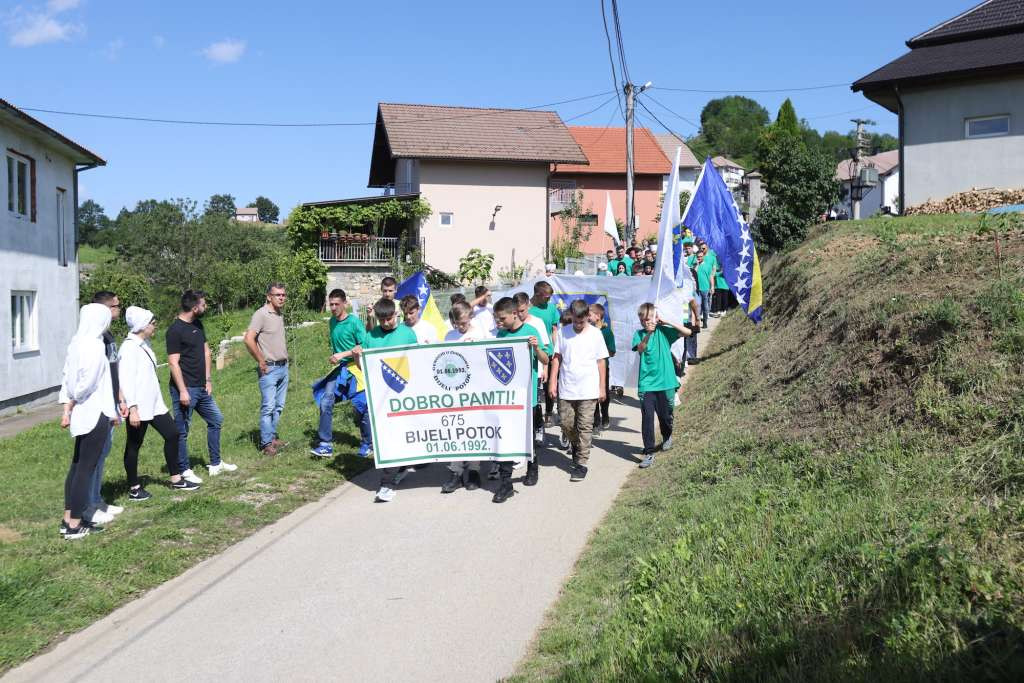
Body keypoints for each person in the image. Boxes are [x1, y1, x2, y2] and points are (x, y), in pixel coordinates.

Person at [119, 306, 199, 500]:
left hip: (154, 404)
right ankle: (134, 488)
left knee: (172, 434)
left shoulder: (143, 344)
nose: (155, 326)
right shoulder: (129, 348)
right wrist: (133, 409)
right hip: (138, 406)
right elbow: (125, 379)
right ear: (142, 326)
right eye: (153, 324)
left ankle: (176, 479)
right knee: (134, 445)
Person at [59, 304, 118, 539]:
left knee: (77, 466)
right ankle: (75, 524)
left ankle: (68, 519)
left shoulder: (76, 343)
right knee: (86, 468)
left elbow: (66, 377)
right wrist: (76, 396)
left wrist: (69, 404)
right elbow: (87, 382)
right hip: (96, 412)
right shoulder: (94, 345)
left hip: (82, 413)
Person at [167, 290, 236, 482]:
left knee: (216, 419)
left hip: (202, 387)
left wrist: (208, 379)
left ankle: (215, 464)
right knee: (182, 430)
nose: (206, 307)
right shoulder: (174, 330)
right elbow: (173, 363)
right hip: (185, 389)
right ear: (195, 307)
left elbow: (206, 352)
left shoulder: (197, 324)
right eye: (203, 305)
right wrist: (182, 390)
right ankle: (184, 470)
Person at [73, 291, 127, 526]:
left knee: (103, 453)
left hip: (112, 402)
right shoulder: (93, 339)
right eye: (116, 306)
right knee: (92, 457)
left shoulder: (108, 335)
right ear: (105, 309)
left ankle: (96, 498)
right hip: (98, 407)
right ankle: (87, 505)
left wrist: (121, 397)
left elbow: (113, 371)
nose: (119, 310)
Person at [359, 297, 418, 503]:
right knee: (386, 439)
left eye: (389, 318)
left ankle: (405, 465)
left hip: (404, 395)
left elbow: (418, 362)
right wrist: (358, 356)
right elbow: (363, 368)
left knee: (404, 436)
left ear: (396, 315)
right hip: (380, 398)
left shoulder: (407, 334)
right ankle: (386, 484)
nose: (386, 323)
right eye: (382, 319)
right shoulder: (370, 336)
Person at [493, 296, 548, 501]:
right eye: (497, 319)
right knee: (505, 438)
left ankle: (532, 468)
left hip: (528, 398)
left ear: (514, 314)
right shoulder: (500, 335)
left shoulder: (531, 332)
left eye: (502, 318)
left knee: (529, 438)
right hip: (507, 400)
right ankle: (505, 483)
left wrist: (536, 348)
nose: (499, 323)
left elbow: (545, 359)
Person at [547, 300, 608, 482]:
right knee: (566, 424)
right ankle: (576, 446)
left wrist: (602, 387)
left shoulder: (596, 334)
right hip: (567, 387)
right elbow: (556, 359)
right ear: (571, 316)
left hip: (588, 389)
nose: (579, 325)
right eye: (575, 321)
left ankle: (581, 463)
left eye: (582, 322)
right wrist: (552, 382)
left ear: (587, 316)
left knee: (585, 426)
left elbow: (601, 361)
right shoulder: (564, 333)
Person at [440, 301, 493, 493]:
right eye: (457, 324)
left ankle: (474, 470)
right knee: (457, 429)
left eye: (463, 323)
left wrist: (477, 347)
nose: (460, 327)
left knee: (474, 429)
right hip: (456, 390)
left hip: (477, 389)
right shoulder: (449, 336)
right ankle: (455, 472)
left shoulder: (480, 332)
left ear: (470, 317)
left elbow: (489, 355)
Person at [632, 303, 692, 469]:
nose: (646, 322)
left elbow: (688, 332)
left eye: (648, 318)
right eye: (643, 319)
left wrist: (666, 322)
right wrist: (648, 334)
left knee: (666, 416)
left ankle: (667, 436)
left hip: (665, 382)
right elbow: (640, 349)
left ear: (655, 317)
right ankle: (649, 452)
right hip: (647, 384)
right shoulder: (639, 334)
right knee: (648, 418)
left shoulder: (664, 331)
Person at [312, 288, 367, 458]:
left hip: (356, 368)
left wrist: (342, 355)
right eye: (331, 304)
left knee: (361, 408)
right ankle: (325, 444)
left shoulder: (354, 323)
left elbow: (364, 346)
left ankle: (368, 443)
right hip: (340, 370)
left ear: (344, 303)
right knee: (325, 401)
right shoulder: (332, 322)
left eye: (337, 304)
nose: (333, 307)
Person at [243, 282, 290, 457]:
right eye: (278, 295)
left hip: (283, 367)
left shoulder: (279, 313)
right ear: (268, 296)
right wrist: (261, 360)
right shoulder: (261, 314)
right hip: (269, 368)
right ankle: (265, 444)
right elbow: (249, 339)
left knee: (279, 406)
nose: (281, 298)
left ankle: (272, 437)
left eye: (283, 295)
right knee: (268, 407)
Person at [514, 292, 552, 445]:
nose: (520, 314)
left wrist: (545, 369)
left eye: (522, 310)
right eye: (516, 312)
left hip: (535, 370)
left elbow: (546, 348)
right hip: (518, 373)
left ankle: (538, 426)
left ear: (528, 306)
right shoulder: (512, 325)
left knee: (534, 403)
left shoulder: (537, 323)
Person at [529, 281, 560, 427]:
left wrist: (555, 348)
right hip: (532, 350)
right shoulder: (527, 308)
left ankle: (548, 412)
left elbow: (554, 329)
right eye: (546, 297)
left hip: (547, 350)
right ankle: (533, 414)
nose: (549, 300)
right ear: (537, 294)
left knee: (549, 384)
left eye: (550, 297)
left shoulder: (552, 308)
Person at [588, 303, 615, 430]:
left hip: (602, 367)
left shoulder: (606, 331)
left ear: (598, 316)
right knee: (592, 394)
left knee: (603, 393)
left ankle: (605, 415)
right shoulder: (587, 331)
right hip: (589, 368)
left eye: (589, 315)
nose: (587, 318)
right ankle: (596, 419)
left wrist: (600, 354)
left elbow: (612, 351)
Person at [695, 248, 714, 329]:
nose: (699, 258)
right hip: (696, 289)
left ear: (703, 256)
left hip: (705, 288)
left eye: (701, 256)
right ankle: (697, 322)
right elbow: (694, 274)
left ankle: (705, 321)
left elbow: (711, 277)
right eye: (698, 257)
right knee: (697, 306)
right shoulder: (695, 266)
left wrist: (712, 286)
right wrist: (697, 265)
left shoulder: (708, 265)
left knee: (705, 306)